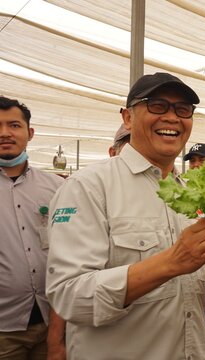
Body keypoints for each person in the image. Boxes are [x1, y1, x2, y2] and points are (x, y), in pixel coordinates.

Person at [45, 72, 205, 360]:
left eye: (183, 109)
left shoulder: (189, 194)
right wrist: (170, 263)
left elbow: (199, 284)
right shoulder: (89, 187)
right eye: (157, 105)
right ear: (128, 118)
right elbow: (70, 296)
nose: (172, 117)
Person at [0, 96, 66, 360]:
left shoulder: (56, 187)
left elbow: (70, 249)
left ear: (30, 133)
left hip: (53, 321)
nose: (4, 133)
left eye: (14, 125)